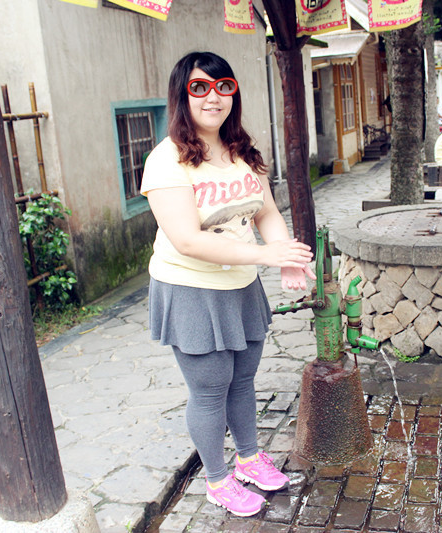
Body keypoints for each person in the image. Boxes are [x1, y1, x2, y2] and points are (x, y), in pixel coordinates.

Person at [140, 51, 315, 517]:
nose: (213, 97)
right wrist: (266, 255)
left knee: (243, 379)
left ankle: (249, 459)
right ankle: (218, 480)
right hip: (191, 289)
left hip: (241, 285)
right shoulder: (166, 160)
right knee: (210, 388)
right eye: (199, 88)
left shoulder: (242, 151)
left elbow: (267, 213)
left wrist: (285, 257)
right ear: (182, 96)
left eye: (224, 87)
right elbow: (187, 240)